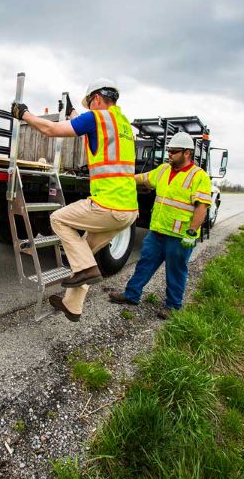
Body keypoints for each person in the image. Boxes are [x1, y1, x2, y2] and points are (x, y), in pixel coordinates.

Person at [11, 78, 138, 322]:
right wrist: (71, 112)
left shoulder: (96, 118)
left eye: (90, 104)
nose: (89, 109)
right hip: (129, 211)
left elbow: (51, 130)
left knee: (58, 219)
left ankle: (85, 270)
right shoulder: (123, 124)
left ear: (97, 99)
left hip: (107, 205)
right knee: (84, 252)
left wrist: (24, 114)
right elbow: (83, 122)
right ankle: (72, 306)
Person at [108, 131, 212, 318]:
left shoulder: (199, 176)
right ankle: (132, 295)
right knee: (144, 264)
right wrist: (122, 178)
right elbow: (143, 178)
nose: (169, 155)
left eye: (173, 152)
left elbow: (201, 207)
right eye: (169, 151)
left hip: (179, 236)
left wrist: (191, 232)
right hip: (157, 232)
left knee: (176, 272)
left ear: (187, 153)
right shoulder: (164, 170)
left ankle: (173, 307)